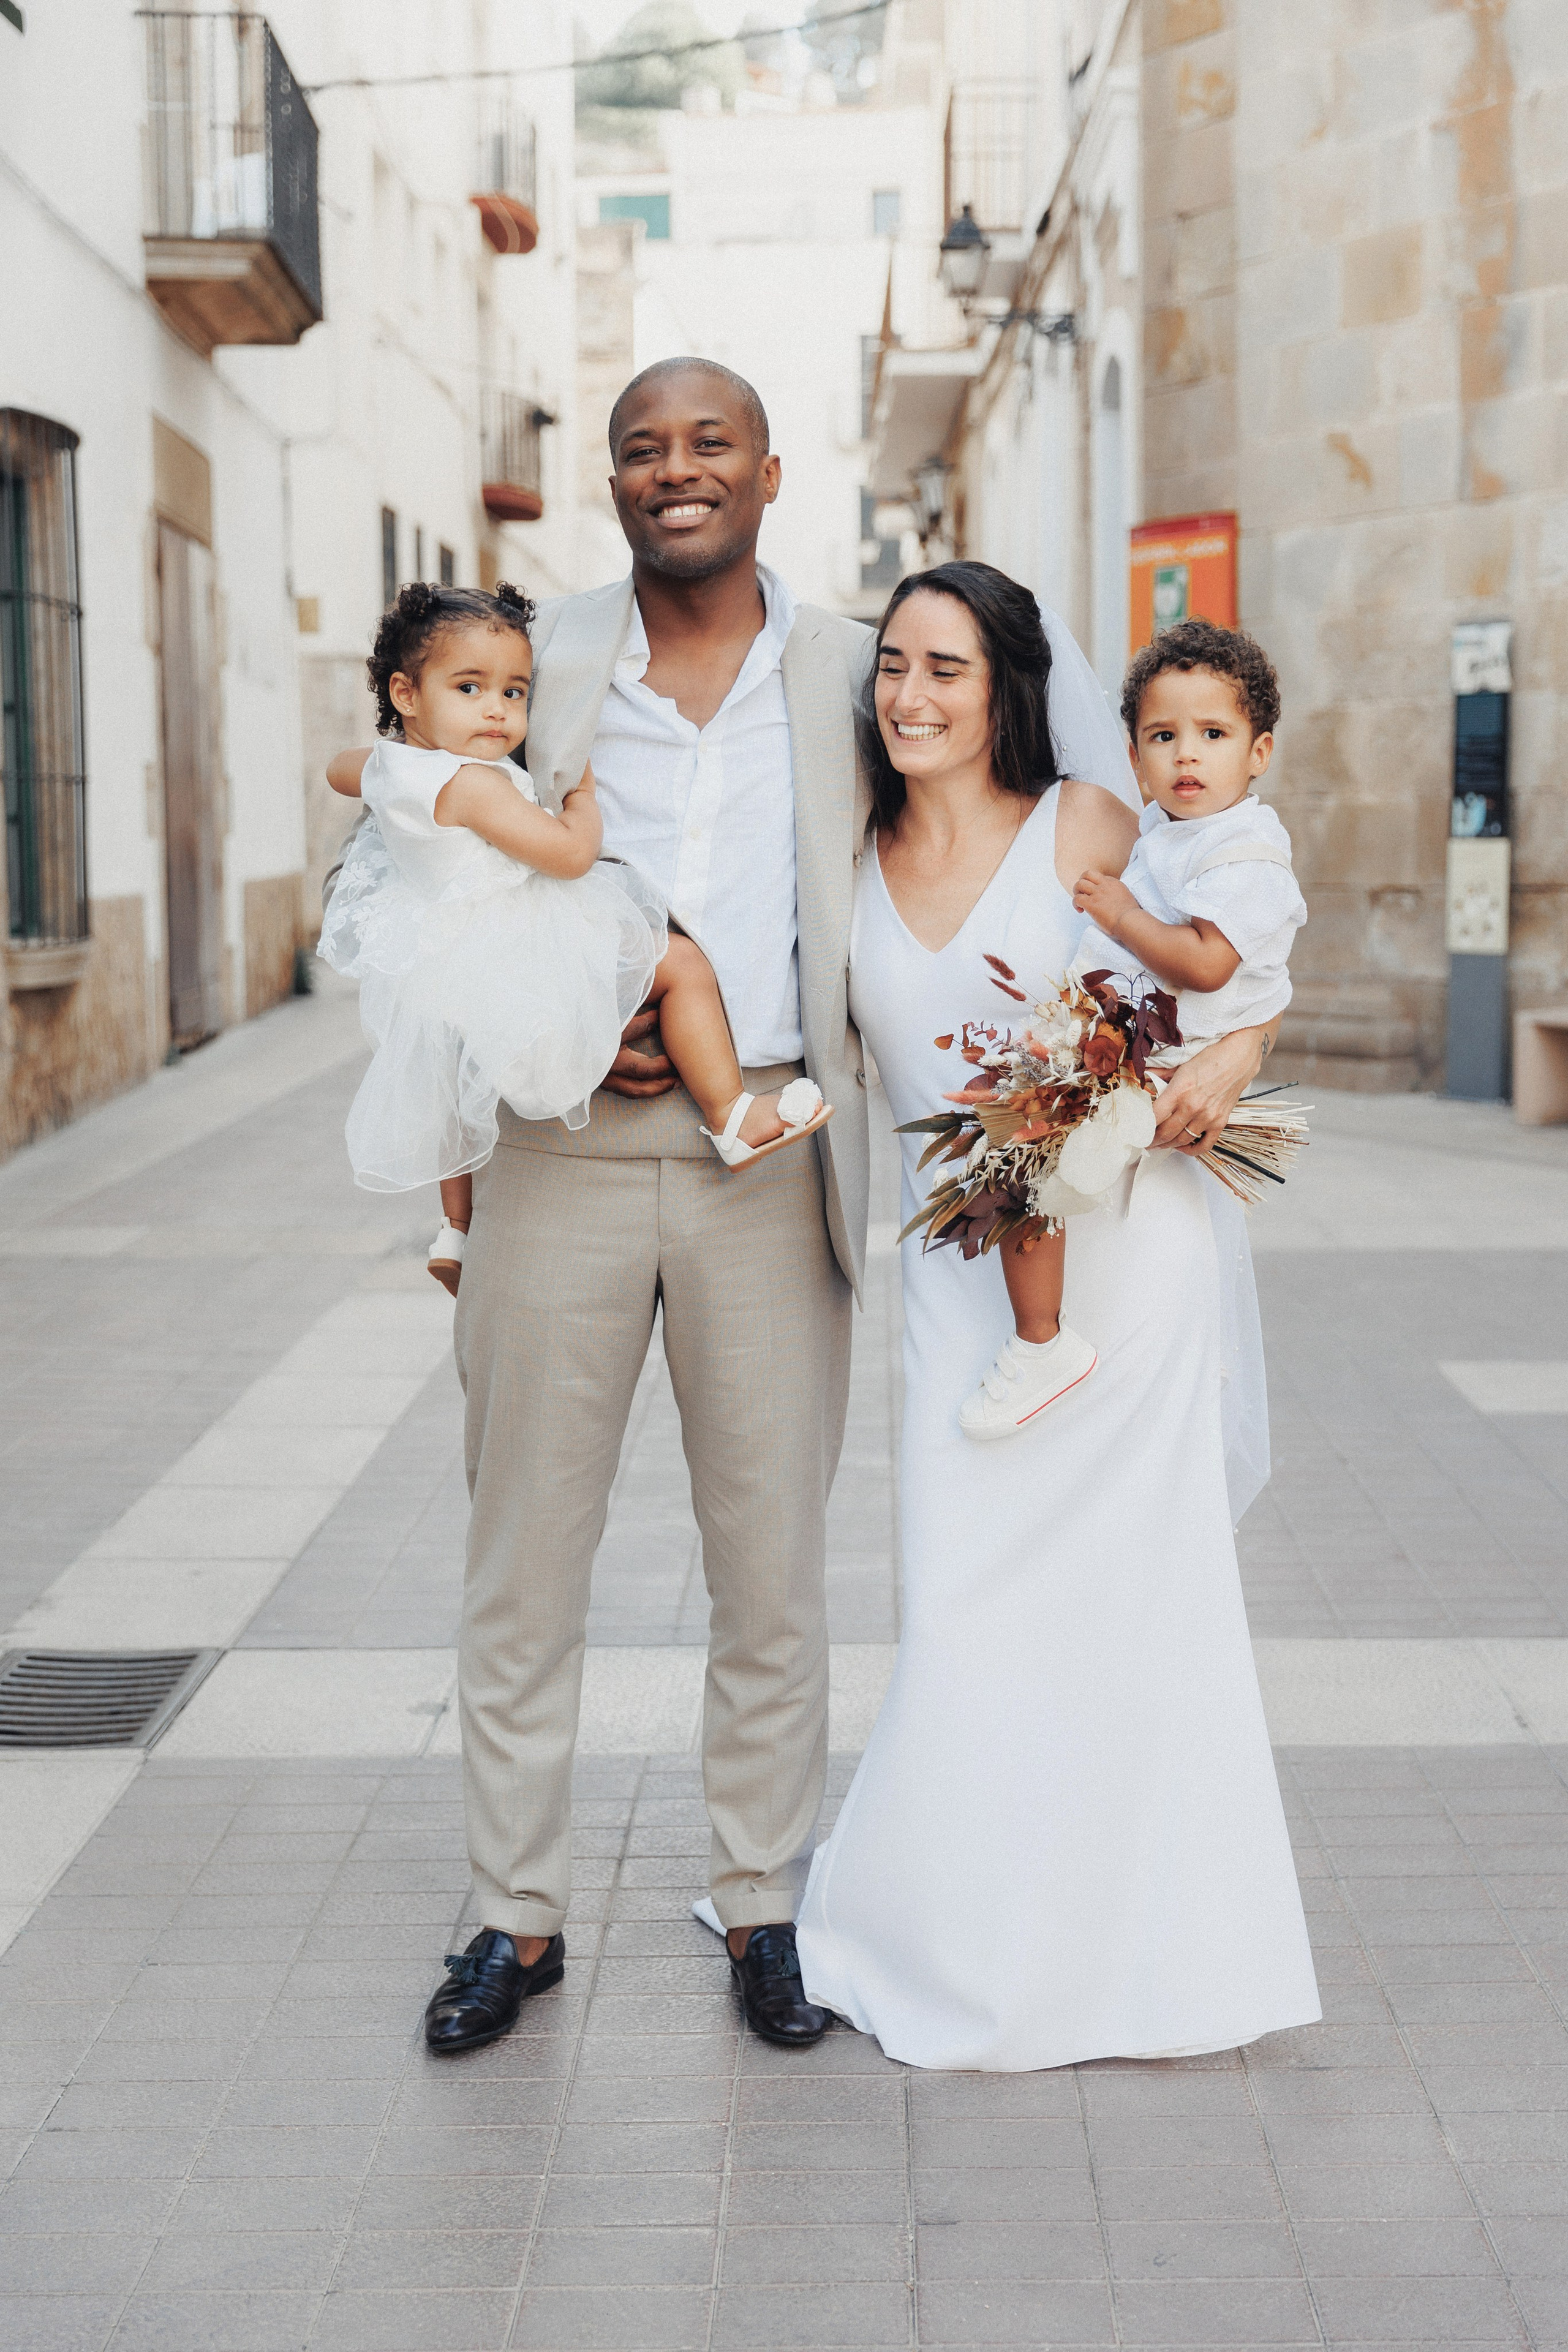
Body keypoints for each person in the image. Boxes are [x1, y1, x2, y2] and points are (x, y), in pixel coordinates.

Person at [793, 562, 1321, 2070]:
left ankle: (1153, 1951)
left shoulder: (1091, 821)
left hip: (1126, 1259)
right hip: (957, 1278)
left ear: (1007, 688)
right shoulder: (839, 843)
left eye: (946, 667)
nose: (910, 694)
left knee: (1129, 1599)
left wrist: (1237, 1055)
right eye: (892, 664)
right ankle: (957, 1935)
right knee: (962, 1598)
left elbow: (1231, 950)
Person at [318, 581, 831, 1297]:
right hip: (521, 939)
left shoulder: (388, 769)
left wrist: (393, 756)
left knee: (450, 1084)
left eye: (515, 692)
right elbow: (567, 857)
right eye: (469, 688)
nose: (497, 710)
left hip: (446, 957)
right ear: (407, 693)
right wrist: (582, 801)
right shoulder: (475, 785)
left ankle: (456, 1230)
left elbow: (339, 770)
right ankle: (732, 1112)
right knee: (681, 963)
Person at [959, 616, 1307, 1441]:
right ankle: (1041, 1335)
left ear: (1259, 751)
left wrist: (1119, 916)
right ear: (1135, 754)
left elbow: (1208, 964)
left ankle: (1040, 1344)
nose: (1187, 755)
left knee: (1017, 1166)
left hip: (1164, 1058)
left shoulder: (1243, 851)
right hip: (1123, 1044)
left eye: (1213, 734)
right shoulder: (1170, 833)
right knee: (1007, 1160)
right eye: (1163, 736)